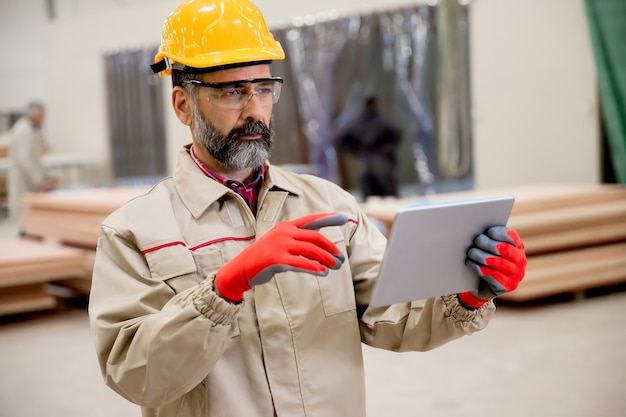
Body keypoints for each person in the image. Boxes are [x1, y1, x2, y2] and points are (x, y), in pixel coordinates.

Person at [88, 1, 527, 416]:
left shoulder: (329, 206)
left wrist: (468, 292)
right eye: (231, 93)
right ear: (184, 104)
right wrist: (224, 288)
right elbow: (134, 374)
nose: (254, 111)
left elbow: (391, 316)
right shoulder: (134, 231)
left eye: (263, 89)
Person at [337, 96, 402, 200]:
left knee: (369, 197)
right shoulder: (381, 121)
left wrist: (354, 149)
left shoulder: (356, 123)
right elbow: (397, 133)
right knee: (389, 193)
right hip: (378, 159)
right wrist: (388, 147)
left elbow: (341, 139)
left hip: (364, 160)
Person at [7, 101, 56, 219]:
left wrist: (47, 177)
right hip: (24, 183)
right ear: (34, 115)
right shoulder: (23, 131)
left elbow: (36, 160)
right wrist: (40, 182)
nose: (44, 119)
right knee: (24, 221)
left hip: (30, 183)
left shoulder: (31, 130)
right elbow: (25, 161)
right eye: (42, 115)